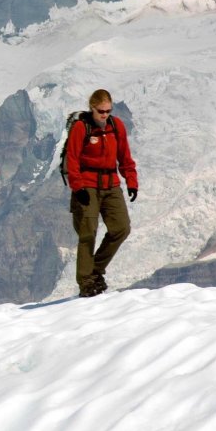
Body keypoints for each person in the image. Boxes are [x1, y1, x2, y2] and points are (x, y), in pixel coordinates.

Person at [66, 89, 138, 297]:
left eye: (108, 111)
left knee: (121, 228)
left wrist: (131, 181)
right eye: (101, 111)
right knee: (87, 232)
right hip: (87, 184)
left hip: (111, 184)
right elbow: (72, 159)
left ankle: (96, 269)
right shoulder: (82, 128)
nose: (105, 115)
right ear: (92, 108)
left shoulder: (116, 126)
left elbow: (125, 156)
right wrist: (78, 188)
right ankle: (86, 280)